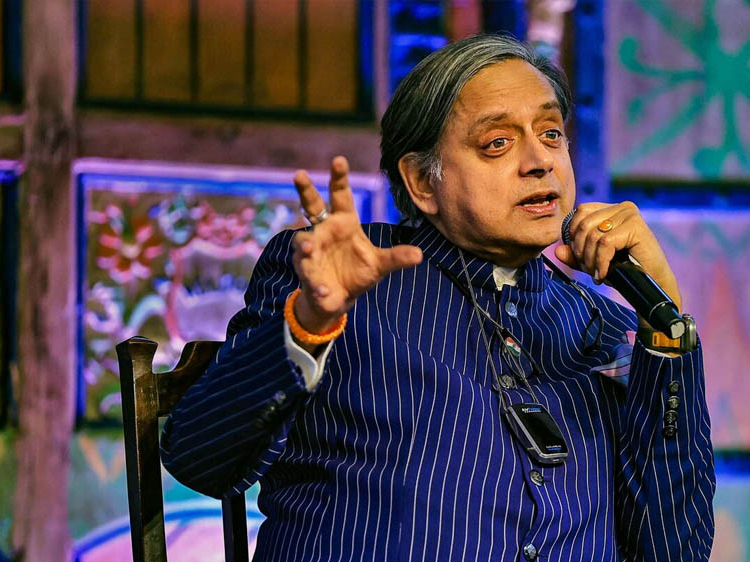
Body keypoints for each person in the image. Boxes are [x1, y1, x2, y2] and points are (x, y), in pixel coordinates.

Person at [162, 34, 715, 561]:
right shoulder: (341, 275)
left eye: (551, 133)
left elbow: (673, 551)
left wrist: (664, 321)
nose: (540, 160)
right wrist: (309, 323)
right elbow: (202, 458)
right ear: (423, 182)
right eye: (498, 143)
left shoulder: (603, 326)